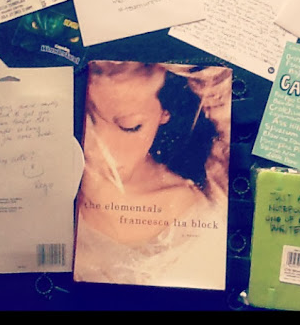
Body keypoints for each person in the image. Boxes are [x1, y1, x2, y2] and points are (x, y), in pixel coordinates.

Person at [73, 61, 232, 288]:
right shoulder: (65, 178)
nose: (100, 148)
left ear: (164, 113)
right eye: (90, 120)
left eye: (130, 126)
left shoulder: (202, 212)